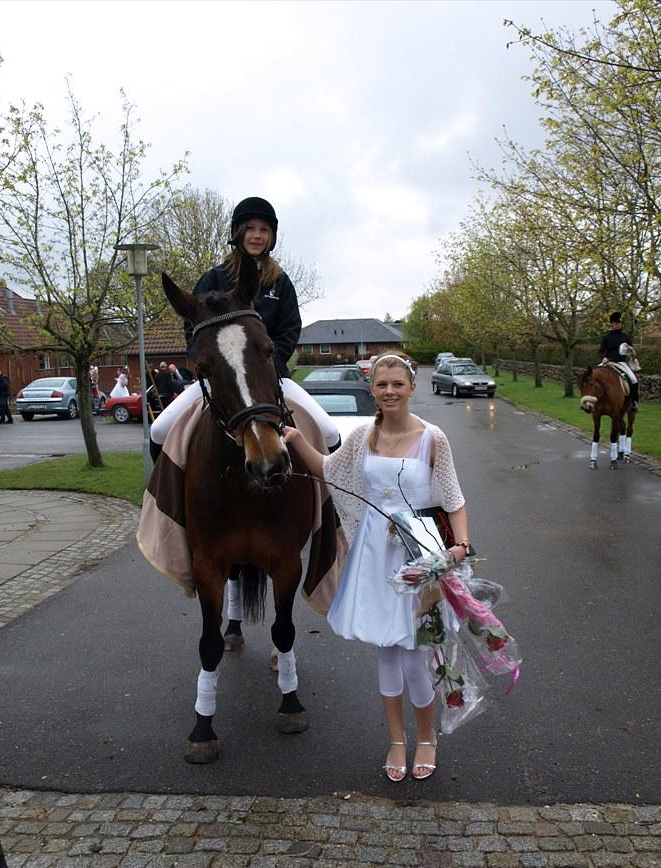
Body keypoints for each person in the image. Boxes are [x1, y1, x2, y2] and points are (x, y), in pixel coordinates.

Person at [284, 354, 469, 783]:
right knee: (386, 651)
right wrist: (295, 439)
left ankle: (426, 737)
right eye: (382, 384)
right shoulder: (363, 437)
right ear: (372, 389)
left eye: (397, 384)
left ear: (411, 387)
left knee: (414, 653)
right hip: (374, 557)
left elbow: (454, 499)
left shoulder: (433, 439)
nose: (389, 391)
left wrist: (458, 547)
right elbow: (329, 472)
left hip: (417, 555)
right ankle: (396, 739)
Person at [149, 196, 340, 453]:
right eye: (250, 228)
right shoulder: (214, 278)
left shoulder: (281, 283)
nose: (257, 236)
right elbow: (192, 328)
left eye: (264, 230)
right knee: (159, 431)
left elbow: (290, 328)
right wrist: (207, 364)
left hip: (272, 377)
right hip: (220, 378)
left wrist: (271, 364)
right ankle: (164, 494)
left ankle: (327, 492)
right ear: (238, 233)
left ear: (272, 236)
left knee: (329, 432)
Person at [600, 311, 640, 411]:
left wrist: (633, 354)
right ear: (612, 324)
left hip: (621, 363)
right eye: (616, 323)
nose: (618, 324)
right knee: (593, 376)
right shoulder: (606, 337)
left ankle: (634, 402)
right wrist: (604, 357)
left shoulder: (626, 337)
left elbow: (630, 351)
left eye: (620, 323)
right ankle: (594, 401)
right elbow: (601, 351)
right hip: (607, 362)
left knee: (633, 380)